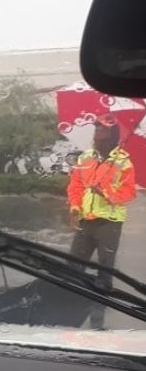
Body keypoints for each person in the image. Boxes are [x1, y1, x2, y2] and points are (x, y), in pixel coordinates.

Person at [67, 114, 136, 329]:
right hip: (86, 220)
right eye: (96, 129)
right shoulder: (86, 157)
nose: (98, 133)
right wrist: (75, 206)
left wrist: (106, 192)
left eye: (103, 130)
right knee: (73, 266)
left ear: (112, 136)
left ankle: (98, 321)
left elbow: (128, 193)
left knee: (104, 271)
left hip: (109, 223)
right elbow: (75, 185)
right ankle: (69, 310)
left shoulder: (123, 161)